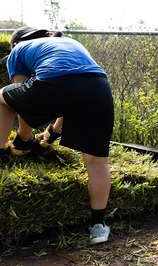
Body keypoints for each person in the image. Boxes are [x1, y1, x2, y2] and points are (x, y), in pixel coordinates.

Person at [0, 27, 114, 245]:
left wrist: (24, 138)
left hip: (54, 84)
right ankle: (98, 227)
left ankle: (4, 152)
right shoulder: (69, 43)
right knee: (97, 161)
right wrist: (53, 131)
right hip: (99, 87)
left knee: (1, 98)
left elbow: (21, 99)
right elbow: (72, 90)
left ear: (15, 43)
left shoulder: (18, 50)